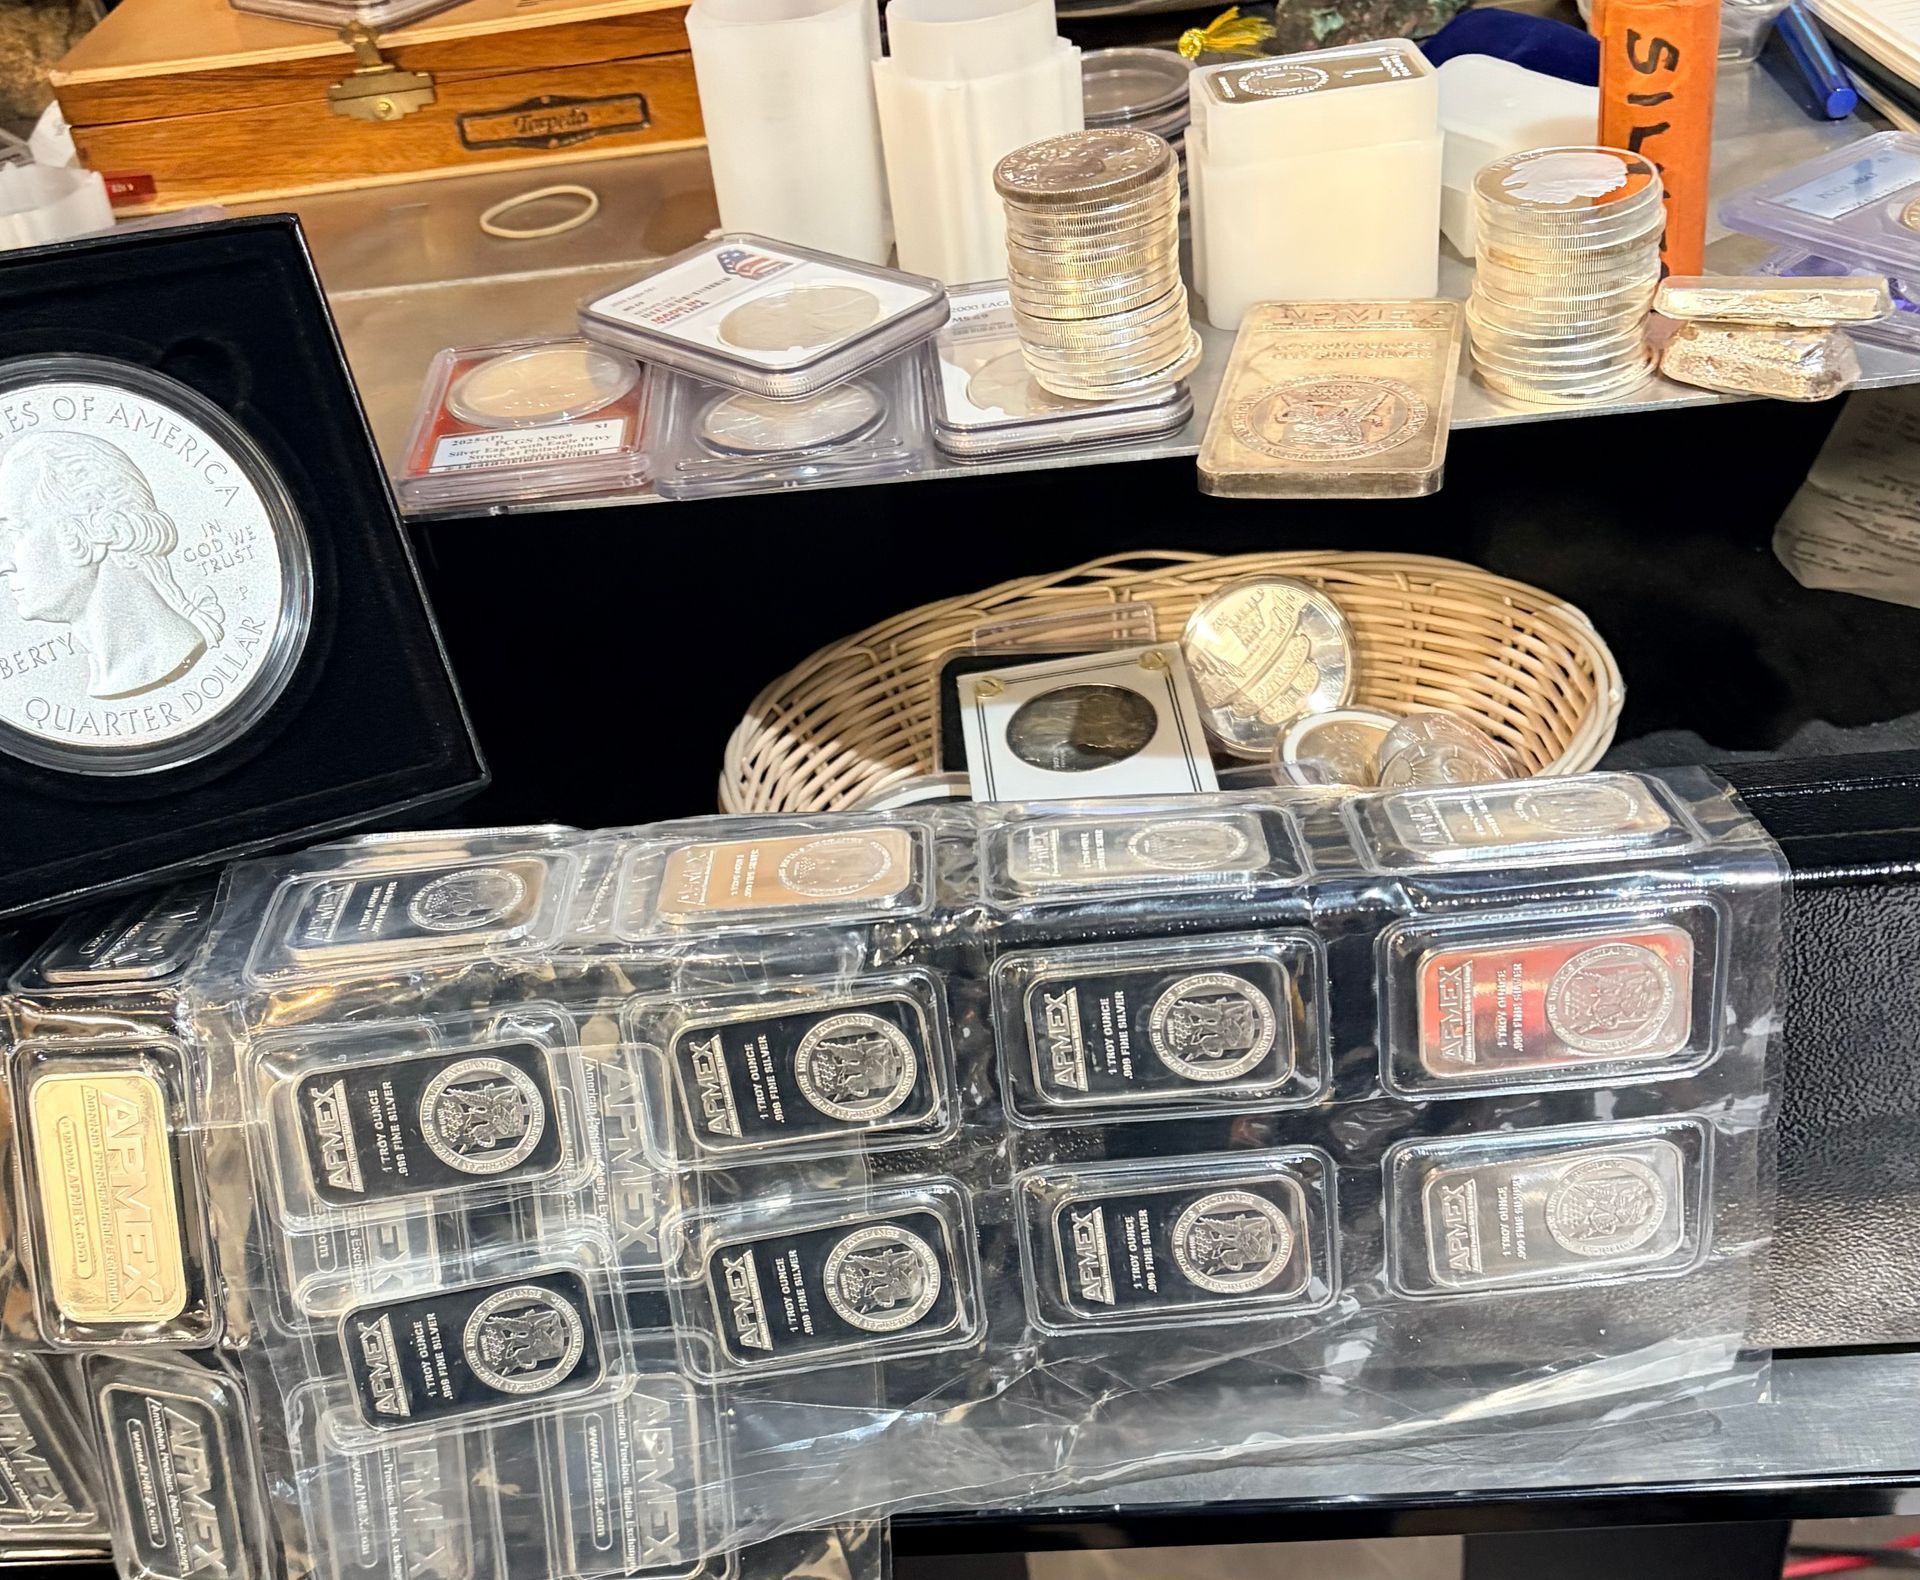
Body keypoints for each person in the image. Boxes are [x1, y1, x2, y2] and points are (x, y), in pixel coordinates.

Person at [0, 430, 224, 700]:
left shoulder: (163, 658)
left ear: (85, 537)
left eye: (14, 532)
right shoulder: (112, 675)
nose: (3, 564)